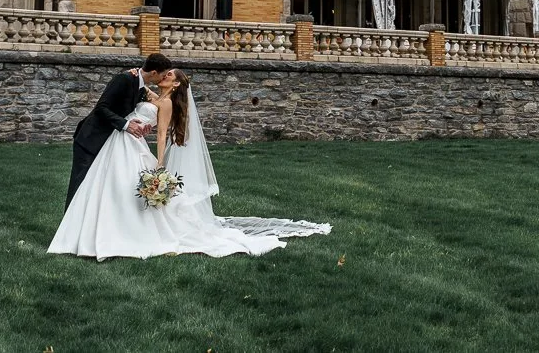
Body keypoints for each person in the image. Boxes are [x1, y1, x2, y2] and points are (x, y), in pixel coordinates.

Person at [49, 69, 331, 260]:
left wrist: (159, 165)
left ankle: (119, 234)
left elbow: (160, 133)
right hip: (123, 145)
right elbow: (137, 93)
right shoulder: (155, 96)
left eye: (170, 74)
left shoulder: (167, 103)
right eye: (165, 71)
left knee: (127, 194)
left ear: (176, 84)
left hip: (135, 150)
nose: (165, 74)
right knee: (113, 191)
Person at [67, 53, 174, 205]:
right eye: (163, 75)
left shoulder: (140, 87)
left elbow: (140, 109)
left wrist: (143, 124)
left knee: (95, 185)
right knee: (80, 184)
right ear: (154, 73)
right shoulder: (124, 79)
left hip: (110, 141)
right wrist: (126, 124)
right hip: (90, 139)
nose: (163, 78)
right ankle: (70, 225)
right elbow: (101, 108)